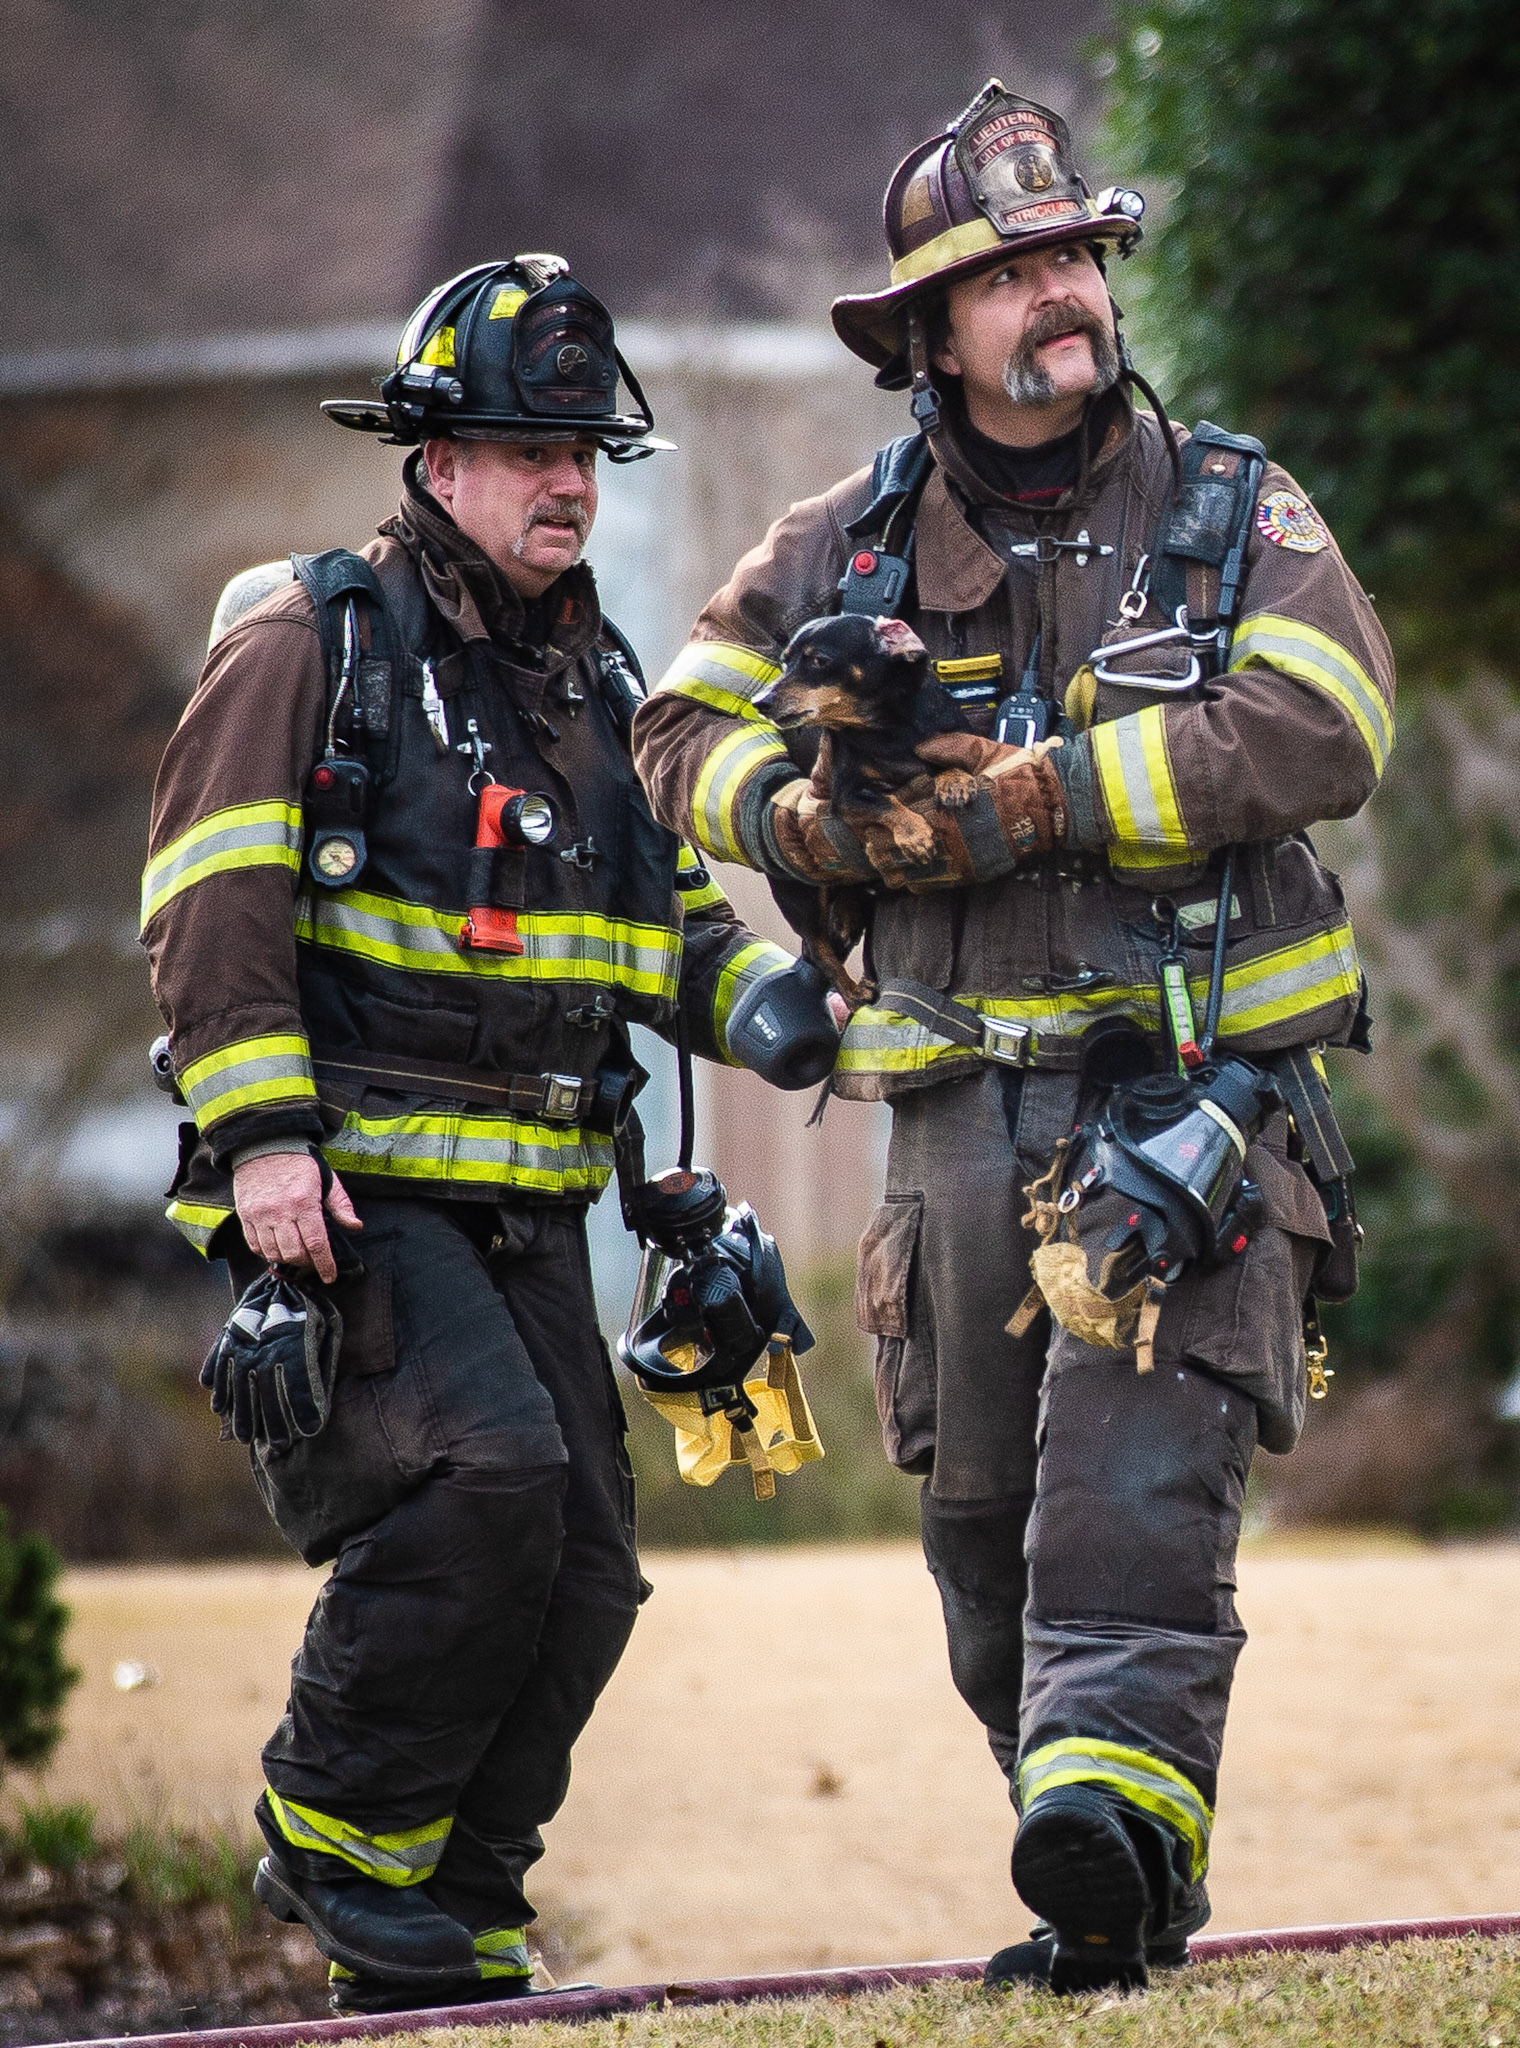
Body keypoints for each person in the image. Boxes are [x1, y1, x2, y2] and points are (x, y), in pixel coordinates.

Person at [631, 84, 1394, 1993]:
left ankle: (1110, 1839)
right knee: (988, 1567)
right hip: (959, 1120)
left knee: (1123, 1502)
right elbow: (670, 735)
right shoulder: (841, 550)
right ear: (929, 334)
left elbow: (1330, 727)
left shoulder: (1230, 513)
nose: (1063, 292)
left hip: (1200, 1104)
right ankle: (1113, 1879)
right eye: (1013, 272)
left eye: (1074, 256)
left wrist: (1048, 800)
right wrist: (797, 821)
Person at [141, 254, 833, 2015]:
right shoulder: (313, 641)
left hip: (532, 1207)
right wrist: (265, 1141)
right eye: (529, 447)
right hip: (355, 1197)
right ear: (434, 460)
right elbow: (205, 898)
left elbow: (666, 913)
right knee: (487, 1482)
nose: (569, 482)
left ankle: (459, 1905)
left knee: (591, 1565)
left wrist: (769, 1002)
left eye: (586, 451)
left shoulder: (589, 681)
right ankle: (340, 1823)